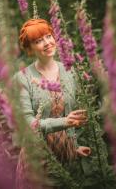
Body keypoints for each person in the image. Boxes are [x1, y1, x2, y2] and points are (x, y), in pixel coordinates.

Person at [14, 18, 91, 188]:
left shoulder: (70, 71)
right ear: (29, 49)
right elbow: (28, 123)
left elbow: (73, 114)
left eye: (48, 36)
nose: (47, 43)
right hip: (38, 160)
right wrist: (64, 122)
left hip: (68, 156)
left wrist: (75, 148)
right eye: (38, 41)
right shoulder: (23, 78)